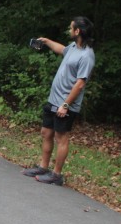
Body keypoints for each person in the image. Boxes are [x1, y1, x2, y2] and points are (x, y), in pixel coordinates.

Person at [21, 16, 96, 186]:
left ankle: (56, 175)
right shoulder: (74, 47)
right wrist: (47, 41)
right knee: (46, 133)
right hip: (53, 99)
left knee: (61, 138)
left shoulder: (87, 55)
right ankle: (43, 167)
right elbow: (62, 49)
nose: (69, 30)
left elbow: (80, 84)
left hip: (65, 104)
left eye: (71, 28)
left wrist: (66, 105)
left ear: (77, 31)